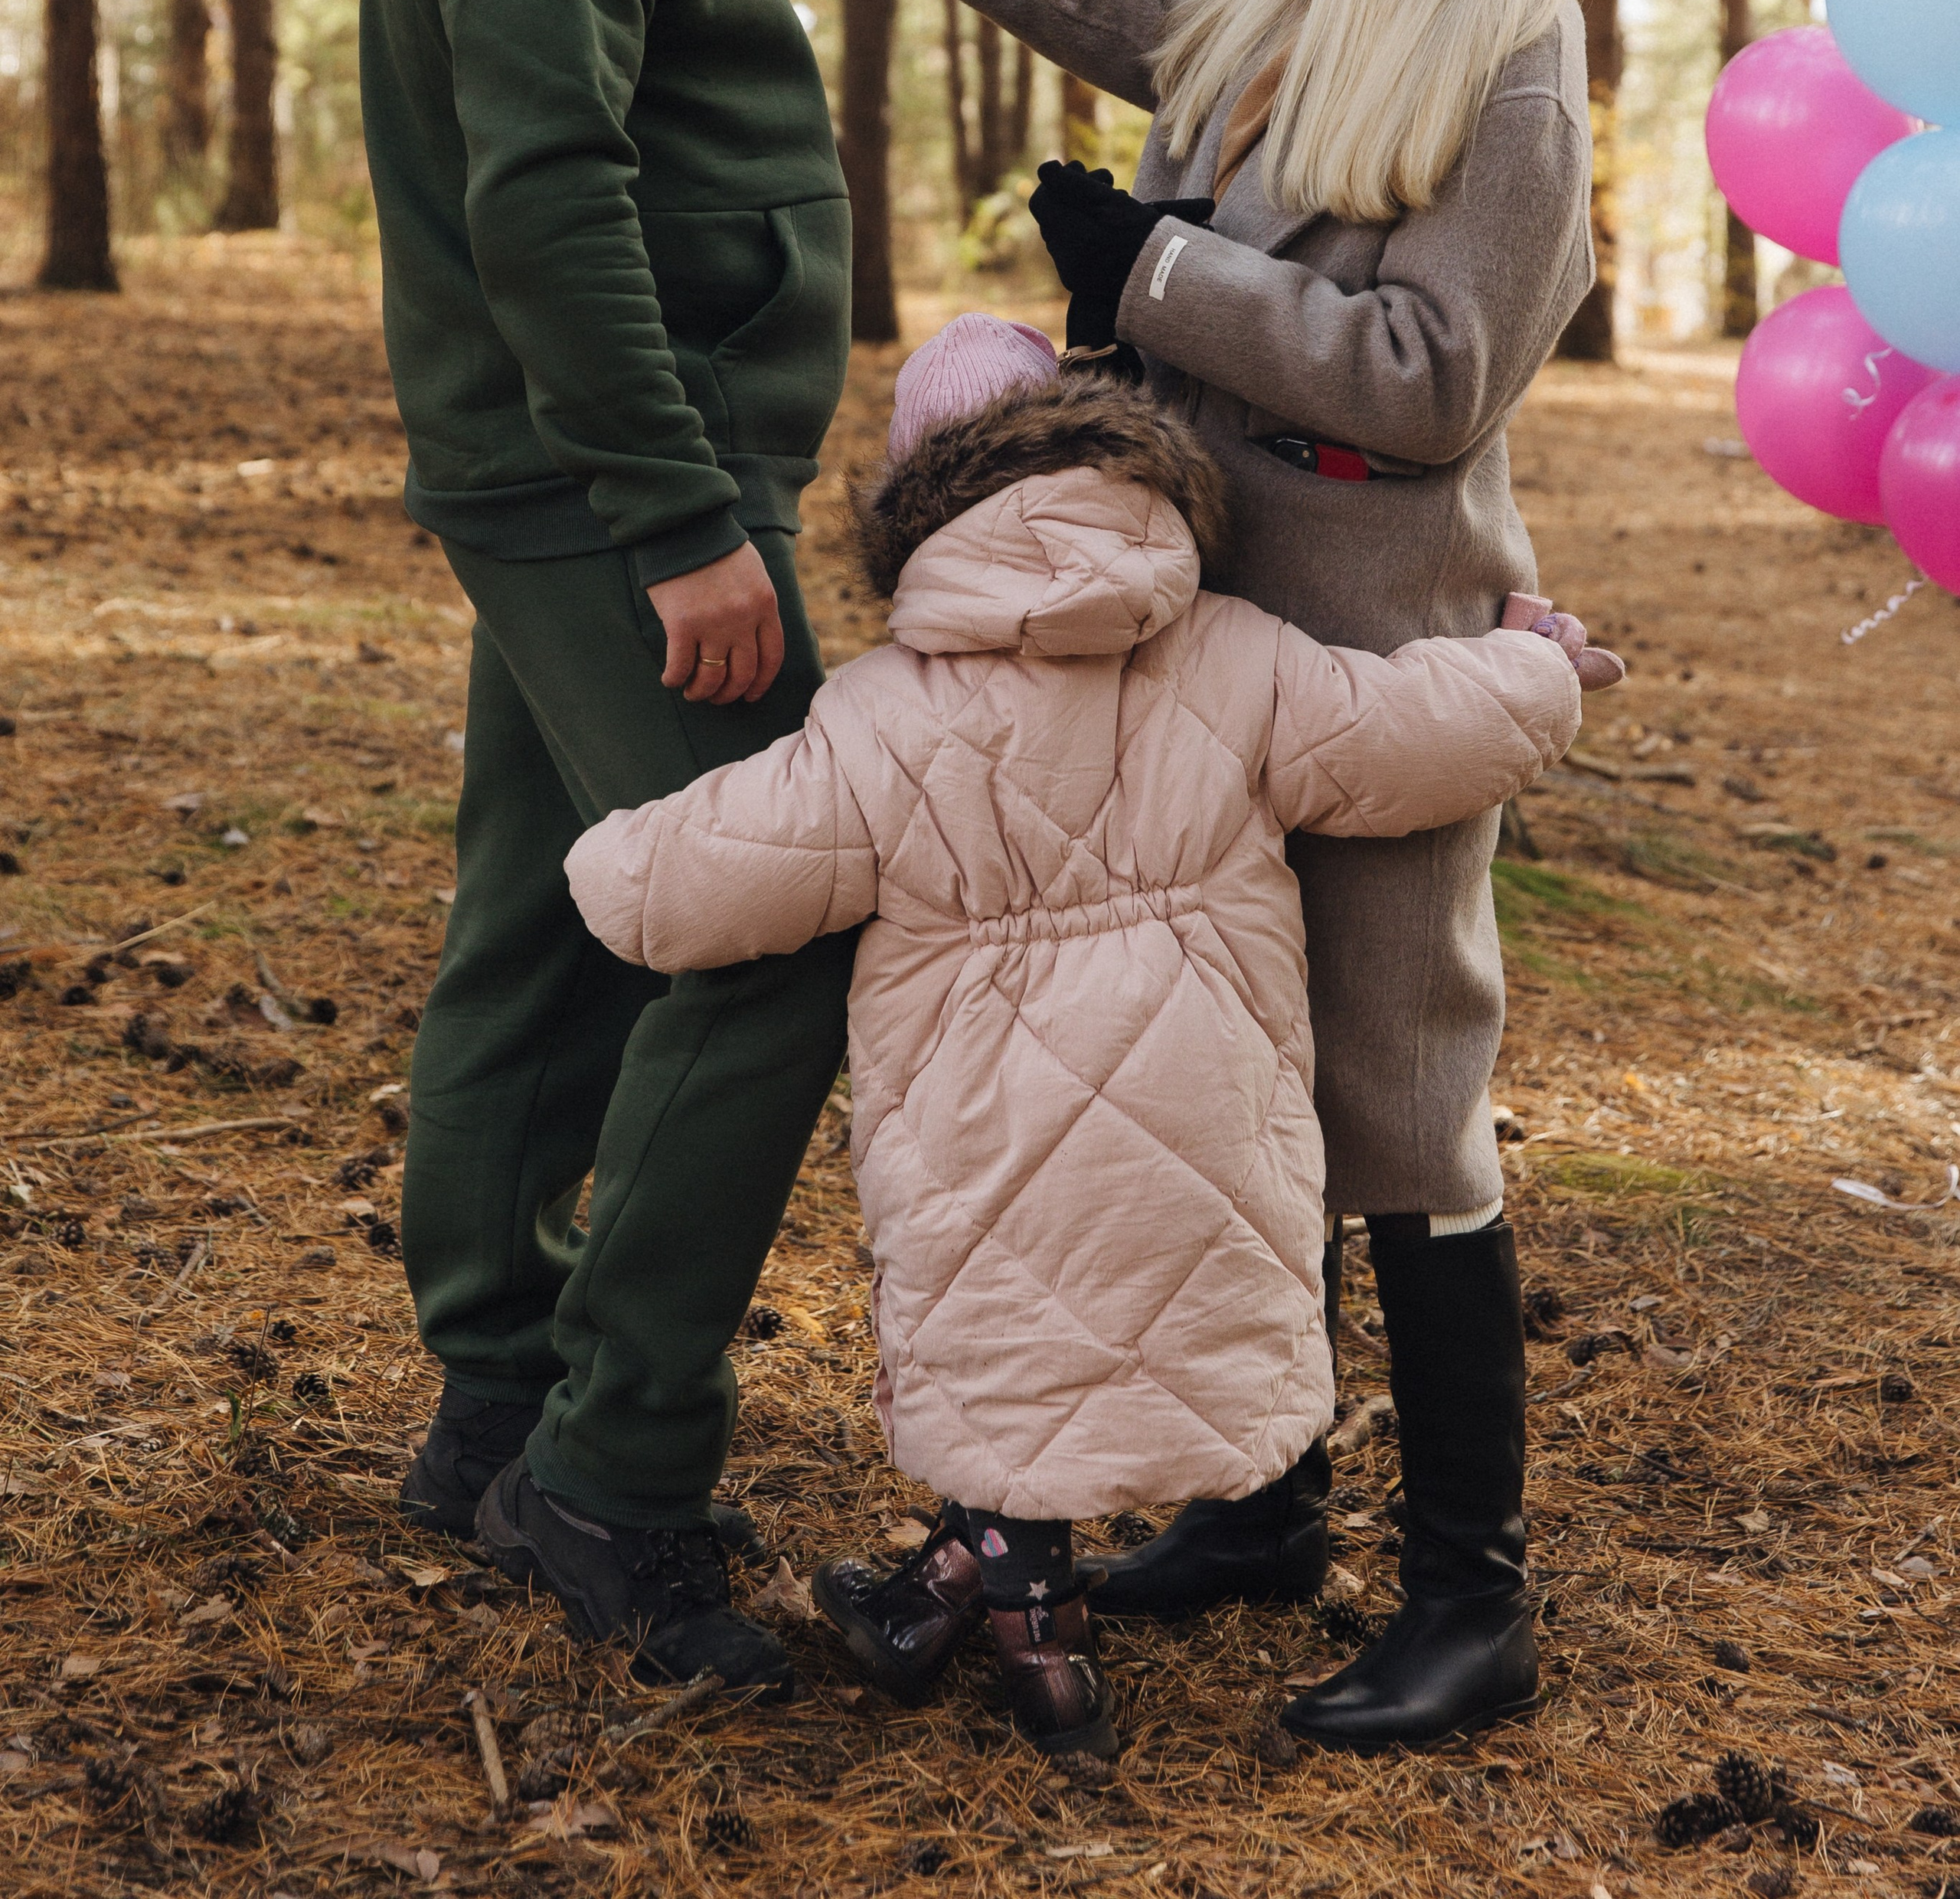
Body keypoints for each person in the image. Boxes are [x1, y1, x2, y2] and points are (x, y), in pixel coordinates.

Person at [802, 0, 1700, 1748]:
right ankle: (1274, 1506)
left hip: (1384, 665)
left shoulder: (1514, 73)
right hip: (1191, 640)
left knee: (1401, 1109)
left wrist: (1161, 273)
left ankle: (1475, 1602)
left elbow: (1437, 374)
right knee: (1238, 1070)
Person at [563, 317, 1601, 1760]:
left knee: (1009, 1348)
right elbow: (1407, 734)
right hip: (1208, 1110)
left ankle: (1031, 1645)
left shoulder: (879, 716)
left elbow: (696, 873)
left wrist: (597, 864)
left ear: (917, 500)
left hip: (979, 1123)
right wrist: (1534, 670)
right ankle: (943, 1602)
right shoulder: (1233, 653)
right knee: (1147, 1322)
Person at [358, 0, 858, 1698]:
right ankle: (614, 1462)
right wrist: (680, 519)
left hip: (581, 466)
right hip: (613, 482)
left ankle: (494, 1399)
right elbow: (543, 188)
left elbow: (614, 138)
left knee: (549, 922)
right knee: (784, 924)